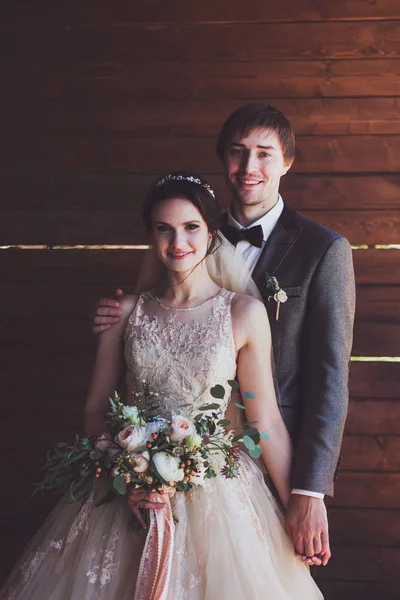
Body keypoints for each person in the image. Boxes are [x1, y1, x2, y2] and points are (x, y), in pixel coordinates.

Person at [1, 173, 323, 599]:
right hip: (127, 488)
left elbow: (266, 421)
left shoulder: (243, 314)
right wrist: (126, 473)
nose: (178, 242)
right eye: (163, 228)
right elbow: (97, 406)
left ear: (211, 232)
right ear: (150, 234)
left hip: (218, 493)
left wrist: (302, 504)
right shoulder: (126, 312)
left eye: (191, 227)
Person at [93, 104, 356, 567]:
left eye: (264, 154)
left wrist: (307, 490)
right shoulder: (190, 229)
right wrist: (117, 315)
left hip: (269, 464)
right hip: (157, 465)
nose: (249, 167)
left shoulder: (323, 250)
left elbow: (330, 379)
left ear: (287, 161)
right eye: (237, 153)